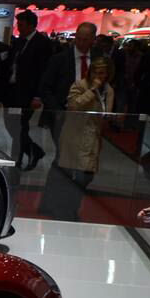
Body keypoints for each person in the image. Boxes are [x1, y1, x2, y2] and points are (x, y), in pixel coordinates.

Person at [41, 57, 113, 220]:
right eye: (95, 72)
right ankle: (64, 209)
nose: (98, 76)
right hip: (74, 136)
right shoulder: (80, 85)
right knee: (70, 175)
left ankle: (72, 208)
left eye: (102, 73)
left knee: (86, 176)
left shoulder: (108, 90)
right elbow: (73, 106)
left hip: (92, 138)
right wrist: (92, 91)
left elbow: (107, 114)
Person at [2, 9, 54, 170]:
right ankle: (34, 150)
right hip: (12, 91)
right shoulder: (19, 41)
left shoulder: (42, 43)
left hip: (27, 94)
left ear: (31, 25)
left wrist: (38, 96)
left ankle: (17, 159)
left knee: (20, 126)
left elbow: (44, 71)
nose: (18, 27)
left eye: (21, 25)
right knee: (12, 126)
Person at [39, 22, 99, 151]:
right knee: (64, 152)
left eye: (85, 40)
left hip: (90, 116)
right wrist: (57, 111)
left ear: (93, 40)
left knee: (84, 153)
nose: (81, 43)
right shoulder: (59, 59)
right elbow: (45, 87)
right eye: (78, 38)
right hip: (64, 114)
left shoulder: (98, 59)